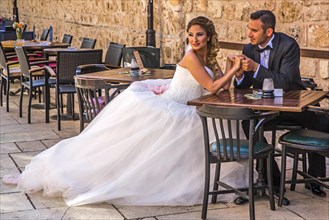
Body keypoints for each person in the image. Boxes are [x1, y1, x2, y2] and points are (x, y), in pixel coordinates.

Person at [3, 16, 247, 206]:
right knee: (131, 155)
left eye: (199, 35)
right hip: (174, 109)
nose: (194, 39)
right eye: (191, 35)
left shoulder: (207, 60)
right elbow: (213, 85)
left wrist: (230, 69)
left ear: (209, 37)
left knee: (157, 155)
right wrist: (232, 69)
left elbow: (214, 87)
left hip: (188, 107)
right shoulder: (192, 57)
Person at [233, 10, 328, 205]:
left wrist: (256, 68)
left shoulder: (289, 45)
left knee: (321, 121)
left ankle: (314, 179)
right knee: (248, 124)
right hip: (266, 108)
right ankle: (272, 182)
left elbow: (284, 81)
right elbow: (242, 88)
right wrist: (240, 75)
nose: (249, 34)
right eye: (248, 29)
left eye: (254, 30)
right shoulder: (248, 49)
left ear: (268, 32)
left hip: (293, 105)